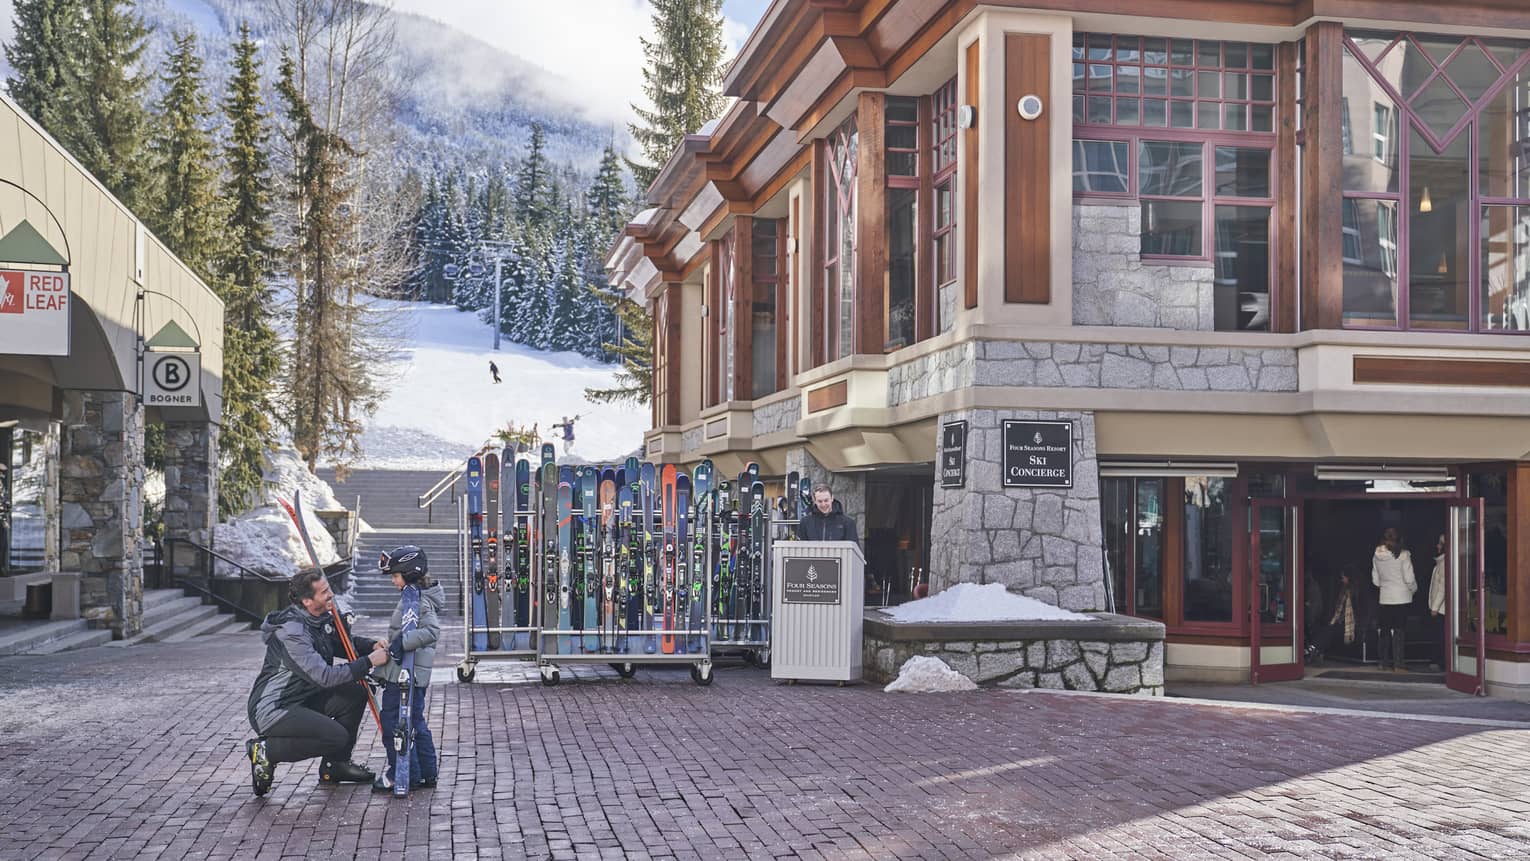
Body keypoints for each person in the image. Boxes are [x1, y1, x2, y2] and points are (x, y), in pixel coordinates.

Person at [245, 569, 387, 796]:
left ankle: (335, 766)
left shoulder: (317, 619)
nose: (331, 595)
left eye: (329, 588)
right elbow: (325, 676)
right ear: (307, 601)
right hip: (274, 708)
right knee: (335, 736)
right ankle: (265, 750)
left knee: (355, 693)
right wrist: (369, 662)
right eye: (324, 593)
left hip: (303, 697)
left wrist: (370, 646)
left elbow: (338, 643)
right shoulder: (292, 633)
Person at [373, 546, 445, 793]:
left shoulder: (417, 600)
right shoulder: (414, 596)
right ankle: (426, 772)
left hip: (407, 676)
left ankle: (402, 773)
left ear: (408, 573)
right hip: (408, 673)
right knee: (415, 721)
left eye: (395, 576)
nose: (393, 581)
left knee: (393, 722)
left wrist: (399, 644)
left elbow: (431, 632)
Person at [1372, 526, 1417, 672]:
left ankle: (1382, 663)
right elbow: (1409, 578)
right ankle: (1398, 664)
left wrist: (1384, 587)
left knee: (1384, 631)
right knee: (1399, 631)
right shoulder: (1404, 555)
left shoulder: (1377, 555)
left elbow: (1375, 580)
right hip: (1401, 598)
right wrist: (1413, 589)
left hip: (1385, 598)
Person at [1428, 533, 1447, 671]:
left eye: (1440, 544)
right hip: (1439, 607)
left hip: (1441, 608)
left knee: (1441, 635)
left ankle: (1441, 661)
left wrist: (1434, 607)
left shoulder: (1444, 563)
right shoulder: (1440, 562)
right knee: (1439, 634)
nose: (1437, 546)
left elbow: (1442, 587)